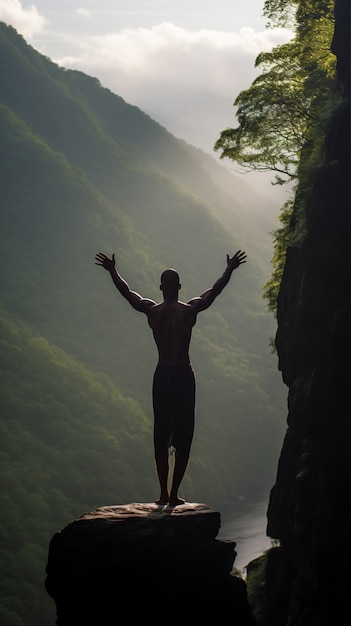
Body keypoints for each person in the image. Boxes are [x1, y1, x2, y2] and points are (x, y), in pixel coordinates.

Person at [95, 250, 247, 506]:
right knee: (184, 430)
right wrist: (229, 269)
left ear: (160, 288)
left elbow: (128, 294)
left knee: (161, 431)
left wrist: (113, 271)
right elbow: (213, 292)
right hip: (183, 374)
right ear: (179, 287)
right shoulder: (188, 311)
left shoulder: (153, 312)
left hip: (162, 374)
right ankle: (174, 494)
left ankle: (163, 494)